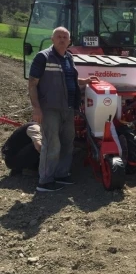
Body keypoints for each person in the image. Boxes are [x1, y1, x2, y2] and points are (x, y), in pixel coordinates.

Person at [28, 27, 96, 192]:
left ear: (69, 41)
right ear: (52, 39)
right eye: (58, 36)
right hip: (50, 108)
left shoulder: (68, 57)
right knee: (52, 144)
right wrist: (36, 108)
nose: (62, 39)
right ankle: (45, 181)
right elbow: (32, 83)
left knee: (67, 142)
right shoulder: (43, 57)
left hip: (68, 107)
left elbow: (69, 78)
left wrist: (85, 81)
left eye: (65, 37)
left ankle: (61, 174)